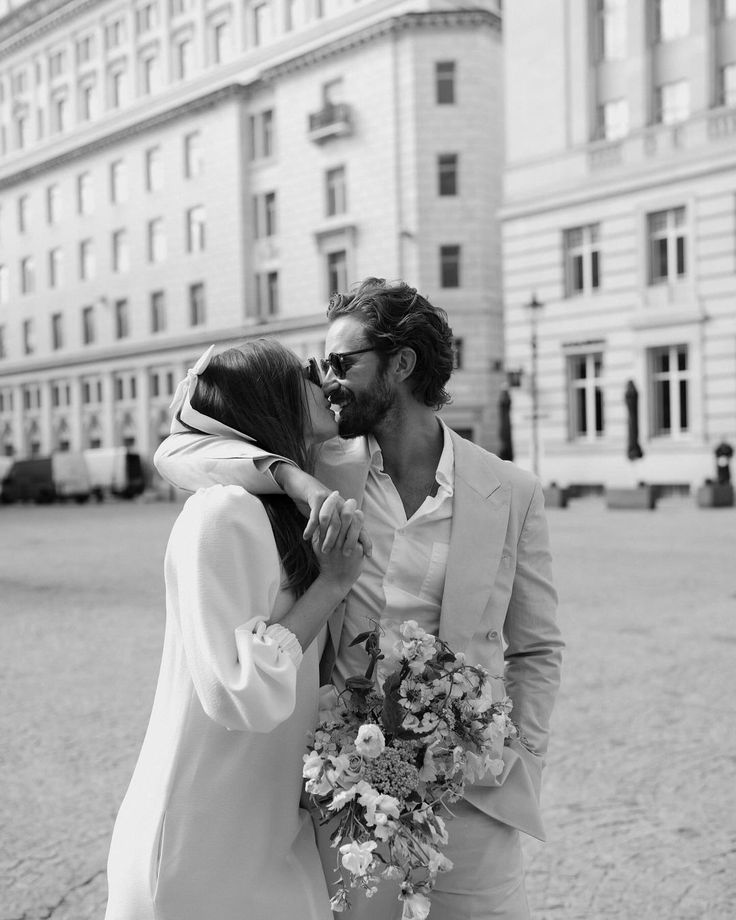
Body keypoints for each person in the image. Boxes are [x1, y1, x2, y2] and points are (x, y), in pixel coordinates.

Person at [154, 278, 564, 920]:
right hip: (341, 794)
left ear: (401, 364)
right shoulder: (321, 464)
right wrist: (287, 473)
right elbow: (180, 449)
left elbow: (537, 647)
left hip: (469, 798)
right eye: (322, 364)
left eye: (342, 363)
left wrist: (515, 757)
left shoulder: (511, 490)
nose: (325, 379)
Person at [105, 340, 366, 920]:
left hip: (270, 836)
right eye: (304, 371)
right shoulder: (222, 514)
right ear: (265, 396)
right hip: (199, 850)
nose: (322, 377)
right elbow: (236, 692)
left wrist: (290, 476)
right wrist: (331, 585)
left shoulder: (277, 508)